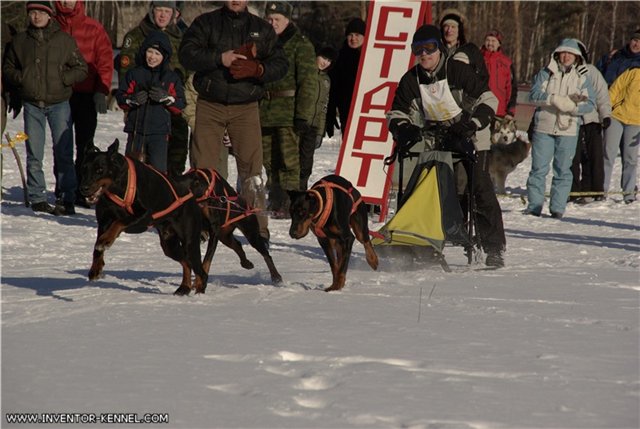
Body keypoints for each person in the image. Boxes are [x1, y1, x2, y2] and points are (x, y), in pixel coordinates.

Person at [386, 25, 505, 268]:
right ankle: (420, 242)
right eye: (417, 50)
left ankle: (494, 248)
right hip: (436, 140)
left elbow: (489, 99)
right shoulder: (411, 79)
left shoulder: (457, 70)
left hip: (471, 135)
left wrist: (471, 125)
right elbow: (396, 111)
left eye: (429, 48)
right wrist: (403, 128)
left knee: (478, 188)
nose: (424, 55)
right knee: (427, 189)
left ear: (439, 48)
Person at [178, 0, 288, 241]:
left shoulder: (262, 28)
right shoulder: (206, 22)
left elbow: (281, 64)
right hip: (210, 102)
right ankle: (203, 224)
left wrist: (258, 70)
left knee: (252, 170)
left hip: (246, 106)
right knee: (203, 170)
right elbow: (186, 53)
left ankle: (258, 228)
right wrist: (220, 58)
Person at [3, 1, 87, 215]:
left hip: (59, 104)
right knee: (34, 152)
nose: (37, 17)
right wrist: (21, 79)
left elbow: (81, 68)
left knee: (64, 152)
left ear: (50, 16)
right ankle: (37, 197)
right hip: (33, 104)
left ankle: (67, 196)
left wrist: (63, 78)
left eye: (41, 13)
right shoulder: (20, 41)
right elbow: (8, 67)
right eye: (33, 13)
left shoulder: (64, 41)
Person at [525, 38, 596, 219]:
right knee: (538, 169)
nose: (566, 57)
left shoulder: (582, 77)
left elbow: (590, 104)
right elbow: (533, 95)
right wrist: (553, 99)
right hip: (544, 127)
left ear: (576, 56)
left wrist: (572, 107)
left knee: (563, 169)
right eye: (563, 53)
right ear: (557, 54)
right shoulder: (546, 72)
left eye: (570, 54)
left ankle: (557, 208)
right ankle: (534, 206)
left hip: (568, 129)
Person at [53, 0, 113, 208]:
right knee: (62, 145)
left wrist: (101, 91)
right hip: (59, 95)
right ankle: (64, 189)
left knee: (85, 145)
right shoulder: (52, 25)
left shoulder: (94, 28)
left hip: (86, 95)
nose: (66, 2)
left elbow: (105, 61)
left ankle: (82, 188)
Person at [119, 1, 189, 176]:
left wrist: (173, 98)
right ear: (152, 11)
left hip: (173, 108)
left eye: (167, 11)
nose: (163, 15)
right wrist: (131, 101)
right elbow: (126, 75)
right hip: (142, 111)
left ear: (175, 14)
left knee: (175, 158)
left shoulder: (183, 38)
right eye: (159, 10)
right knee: (138, 162)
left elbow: (188, 74)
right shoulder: (136, 36)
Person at [260, 1, 317, 218]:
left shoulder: (300, 45)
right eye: (270, 19)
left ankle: (292, 204)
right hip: (264, 111)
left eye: (277, 20)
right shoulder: (263, 44)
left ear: (288, 20)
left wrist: (303, 115)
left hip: (288, 113)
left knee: (289, 162)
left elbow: (308, 82)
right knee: (269, 160)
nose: (273, 24)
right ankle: (275, 200)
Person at [569, 40, 611, 204]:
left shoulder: (592, 71)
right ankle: (573, 190)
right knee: (573, 158)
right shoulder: (564, 73)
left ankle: (594, 190)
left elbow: (602, 95)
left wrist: (605, 115)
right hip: (572, 120)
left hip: (592, 120)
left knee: (594, 157)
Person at [299, 46, 335, 190]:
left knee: (306, 165)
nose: (325, 63)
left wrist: (320, 132)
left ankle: (301, 193)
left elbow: (323, 107)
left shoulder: (326, 80)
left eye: (329, 60)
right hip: (298, 124)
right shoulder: (305, 72)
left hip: (312, 128)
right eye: (323, 58)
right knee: (291, 163)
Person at [603, 67, 639, 204]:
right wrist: (607, 111)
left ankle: (629, 193)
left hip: (636, 122)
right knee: (608, 153)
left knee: (631, 158)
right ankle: (601, 190)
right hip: (616, 117)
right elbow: (615, 88)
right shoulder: (633, 72)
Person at [325, 17, 365, 139]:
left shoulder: (372, 56)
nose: (353, 39)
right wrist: (330, 113)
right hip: (347, 112)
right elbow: (332, 89)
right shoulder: (339, 58)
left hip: (369, 111)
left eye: (357, 35)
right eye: (350, 35)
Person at [439, 9, 488, 84]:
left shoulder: (470, 50)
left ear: (459, 30)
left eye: (453, 27)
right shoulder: (436, 51)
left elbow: (482, 76)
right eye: (446, 26)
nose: (449, 30)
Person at [481, 29, 517, 120]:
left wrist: (510, 111)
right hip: (479, 109)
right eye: (488, 40)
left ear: (499, 44)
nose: (490, 43)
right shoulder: (477, 58)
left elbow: (512, 89)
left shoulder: (506, 63)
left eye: (493, 41)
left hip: (499, 112)